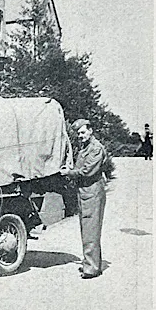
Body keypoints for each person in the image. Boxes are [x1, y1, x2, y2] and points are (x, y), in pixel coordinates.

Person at [62, 118, 112, 279]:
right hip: (85, 192)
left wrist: (69, 172)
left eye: (83, 132)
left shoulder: (95, 148)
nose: (80, 136)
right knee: (87, 229)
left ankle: (92, 268)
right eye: (78, 133)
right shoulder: (86, 147)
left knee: (91, 230)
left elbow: (87, 171)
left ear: (91, 131)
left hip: (92, 192)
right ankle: (90, 262)